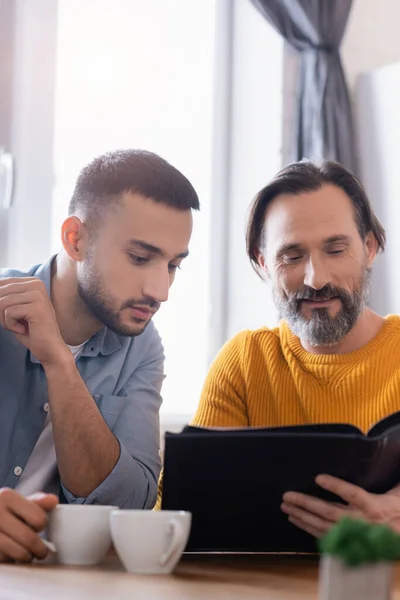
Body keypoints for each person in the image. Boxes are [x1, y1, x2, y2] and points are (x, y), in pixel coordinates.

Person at [0, 148, 199, 562]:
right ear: (76, 239)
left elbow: (129, 507)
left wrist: (58, 361)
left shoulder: (142, 347)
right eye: (140, 258)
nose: (160, 291)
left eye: (173, 265)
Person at [191, 160, 400, 537]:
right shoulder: (244, 362)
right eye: (291, 256)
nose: (315, 278)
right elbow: (184, 513)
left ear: (369, 248)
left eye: (335, 250)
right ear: (263, 263)